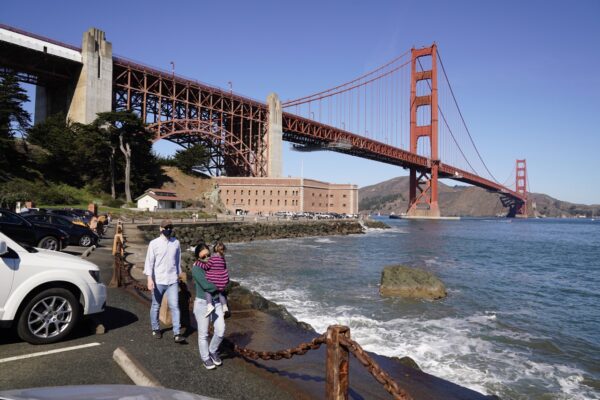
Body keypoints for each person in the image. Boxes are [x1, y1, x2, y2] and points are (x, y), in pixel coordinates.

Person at [143, 219, 185, 343]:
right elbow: (149, 262)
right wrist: (149, 279)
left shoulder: (176, 243)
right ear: (161, 229)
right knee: (156, 305)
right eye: (166, 227)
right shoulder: (154, 243)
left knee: (175, 306)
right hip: (158, 280)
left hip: (172, 280)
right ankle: (155, 328)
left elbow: (177, 260)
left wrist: (179, 275)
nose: (168, 230)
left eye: (170, 227)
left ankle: (177, 333)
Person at [192, 243, 226, 370]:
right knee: (203, 334)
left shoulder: (214, 264)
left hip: (216, 302)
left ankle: (212, 350)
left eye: (208, 255)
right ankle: (205, 357)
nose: (207, 258)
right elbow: (207, 286)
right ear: (198, 258)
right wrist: (220, 284)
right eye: (203, 256)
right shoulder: (196, 268)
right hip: (202, 303)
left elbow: (225, 275)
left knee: (221, 330)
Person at [199, 242, 229, 317]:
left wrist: (198, 263)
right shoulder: (223, 259)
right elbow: (224, 268)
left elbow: (206, 267)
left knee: (207, 291)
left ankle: (209, 305)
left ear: (214, 250)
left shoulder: (212, 259)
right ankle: (224, 306)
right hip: (221, 280)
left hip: (213, 280)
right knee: (221, 294)